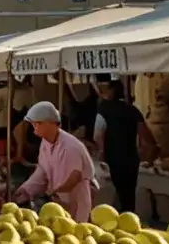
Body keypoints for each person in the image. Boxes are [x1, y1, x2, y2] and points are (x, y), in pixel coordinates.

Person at [14, 102, 94, 221]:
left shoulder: (70, 146)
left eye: (38, 123)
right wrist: (26, 189)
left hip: (75, 202)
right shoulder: (45, 143)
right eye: (33, 123)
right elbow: (42, 171)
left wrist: (54, 192)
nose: (34, 126)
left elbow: (75, 176)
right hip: (57, 205)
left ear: (51, 123)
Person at [92, 79, 154, 213]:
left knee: (112, 196)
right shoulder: (133, 110)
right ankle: (129, 221)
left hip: (112, 159)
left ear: (111, 91)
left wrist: (101, 152)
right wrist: (149, 155)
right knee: (128, 197)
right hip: (131, 159)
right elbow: (146, 137)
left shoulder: (104, 108)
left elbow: (98, 134)